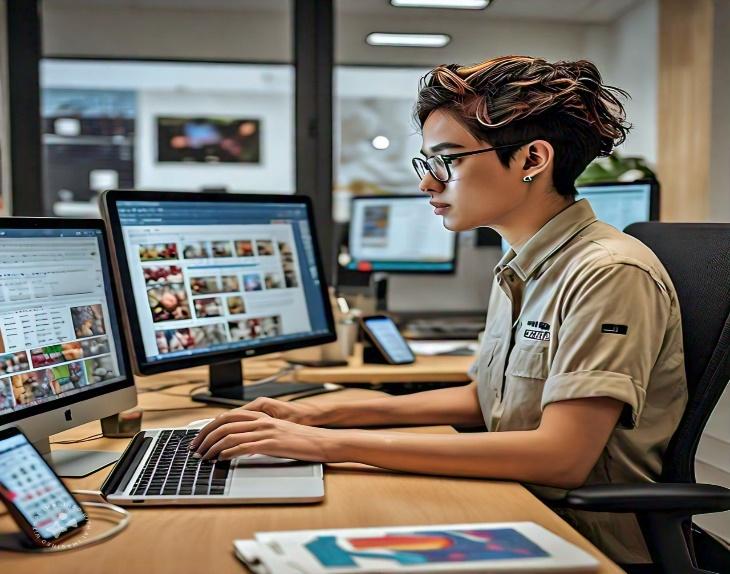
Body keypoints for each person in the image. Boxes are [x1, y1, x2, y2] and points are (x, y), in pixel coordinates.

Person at [189, 56, 687, 565]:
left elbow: (559, 456)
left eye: (447, 160)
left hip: (579, 536)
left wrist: (330, 443)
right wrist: (318, 412)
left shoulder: (607, 271)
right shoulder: (522, 263)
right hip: (516, 504)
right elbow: (484, 399)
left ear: (533, 159)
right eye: (428, 163)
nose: (429, 183)